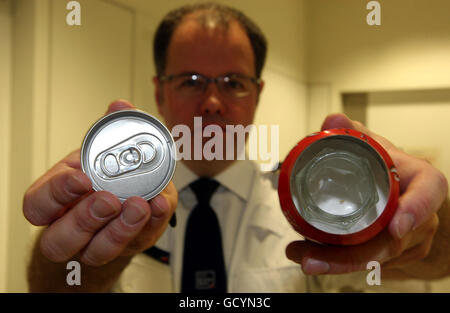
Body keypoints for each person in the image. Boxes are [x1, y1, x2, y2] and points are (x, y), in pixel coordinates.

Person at [24, 3, 449, 293]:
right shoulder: (113, 198)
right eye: (191, 81)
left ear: (257, 94)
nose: (212, 101)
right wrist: (111, 247)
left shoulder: (318, 203)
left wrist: (424, 218)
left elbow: (438, 260)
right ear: (159, 91)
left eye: (233, 83)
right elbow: (49, 288)